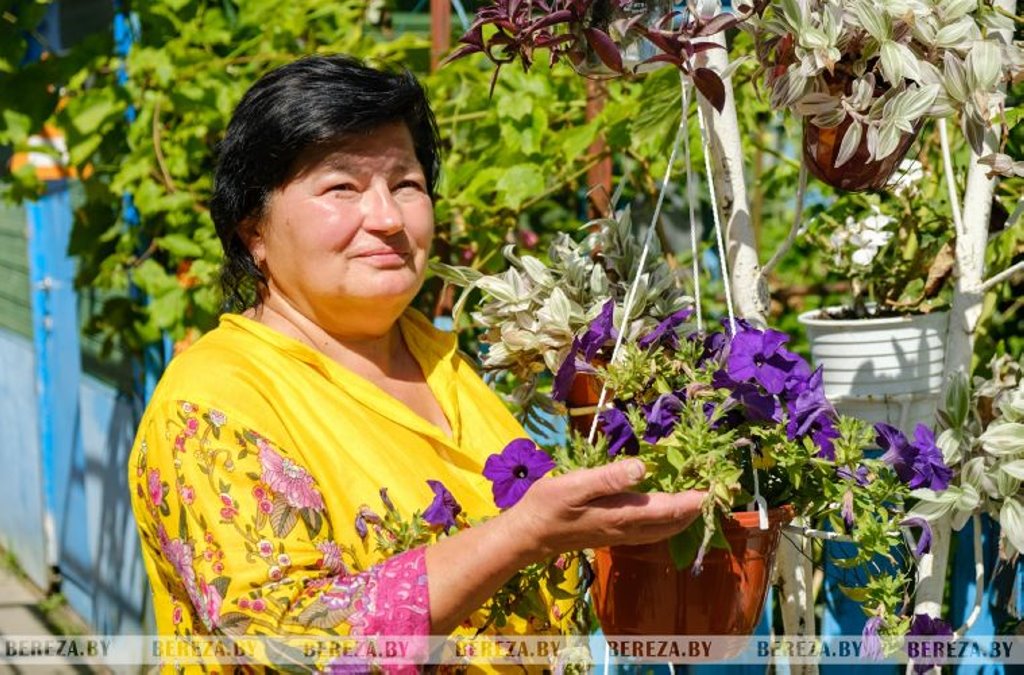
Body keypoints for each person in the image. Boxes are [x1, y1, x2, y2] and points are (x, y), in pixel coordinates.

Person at [128, 54, 703, 672]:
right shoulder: (213, 403)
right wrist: (521, 535)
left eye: (405, 184)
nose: (388, 219)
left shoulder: (442, 358)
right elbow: (288, 644)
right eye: (341, 188)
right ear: (254, 231)